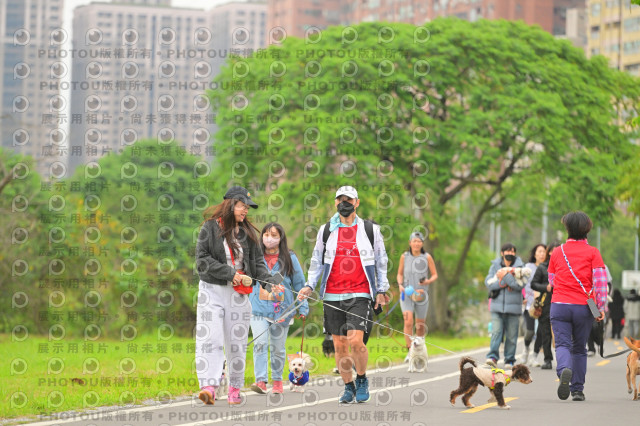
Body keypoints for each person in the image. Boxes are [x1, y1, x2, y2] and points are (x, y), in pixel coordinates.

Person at [298, 185, 389, 404]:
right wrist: (309, 285)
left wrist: (381, 289)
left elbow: (381, 260)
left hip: (360, 293)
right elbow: (317, 259)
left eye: (348, 200)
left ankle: (362, 378)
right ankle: (348, 386)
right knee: (339, 345)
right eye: (340, 200)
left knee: (356, 341)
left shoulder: (370, 230)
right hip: (332, 294)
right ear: (335, 203)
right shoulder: (326, 230)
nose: (344, 203)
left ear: (357, 203)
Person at [194, 186, 281, 405]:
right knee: (210, 338)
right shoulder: (209, 228)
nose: (245, 211)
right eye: (242, 206)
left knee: (236, 343)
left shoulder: (248, 233)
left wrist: (270, 283)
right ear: (231, 204)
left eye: (247, 207)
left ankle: (234, 388)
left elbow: (258, 263)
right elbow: (202, 260)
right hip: (211, 291)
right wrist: (230, 273)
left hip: (238, 294)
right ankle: (209, 387)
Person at [549, 211, 607, 402]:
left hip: (559, 304)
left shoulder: (557, 251)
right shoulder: (593, 252)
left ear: (567, 228)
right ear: (587, 229)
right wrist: (600, 307)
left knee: (562, 344)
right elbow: (600, 282)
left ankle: (564, 369)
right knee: (580, 348)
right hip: (583, 306)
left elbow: (552, 280)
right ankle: (577, 390)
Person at [249, 222, 309, 395]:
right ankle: (261, 381)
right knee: (260, 344)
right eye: (266, 235)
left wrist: (302, 308)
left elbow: (299, 284)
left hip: (282, 310)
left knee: (277, 348)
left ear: (281, 238)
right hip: (258, 309)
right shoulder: (254, 257)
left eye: (274, 235)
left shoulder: (290, 258)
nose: (270, 238)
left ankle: (277, 380)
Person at [396, 231, 438, 363]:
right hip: (407, 294)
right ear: (410, 243)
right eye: (414, 241)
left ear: (422, 244)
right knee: (408, 322)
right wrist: (400, 284)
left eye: (419, 241)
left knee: (420, 326)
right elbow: (399, 274)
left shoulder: (427, 257)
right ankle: (410, 352)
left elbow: (435, 274)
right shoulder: (404, 256)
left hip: (421, 295)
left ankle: (419, 351)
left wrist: (428, 281)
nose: (416, 243)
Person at [485, 243, 525, 368]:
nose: (510, 254)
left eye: (512, 251)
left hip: (514, 308)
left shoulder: (520, 267)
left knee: (512, 336)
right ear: (502, 253)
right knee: (496, 333)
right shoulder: (494, 266)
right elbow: (489, 283)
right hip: (497, 307)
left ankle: (509, 359)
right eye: (508, 251)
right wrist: (506, 281)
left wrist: (504, 276)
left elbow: (520, 285)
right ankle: (492, 357)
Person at [529, 242, 560, 369]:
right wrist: (545, 287)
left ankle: (563, 359)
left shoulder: (566, 267)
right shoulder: (542, 267)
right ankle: (548, 360)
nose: (555, 253)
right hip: (546, 303)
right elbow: (533, 284)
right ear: (549, 252)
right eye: (553, 251)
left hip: (561, 302)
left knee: (561, 332)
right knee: (545, 333)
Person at [519, 243, 546, 365]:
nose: (542, 254)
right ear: (534, 254)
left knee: (540, 332)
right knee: (530, 331)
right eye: (539, 251)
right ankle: (526, 350)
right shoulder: (528, 267)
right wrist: (523, 297)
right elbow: (521, 283)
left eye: (544, 251)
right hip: (530, 304)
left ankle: (534, 356)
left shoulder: (548, 267)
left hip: (544, 304)